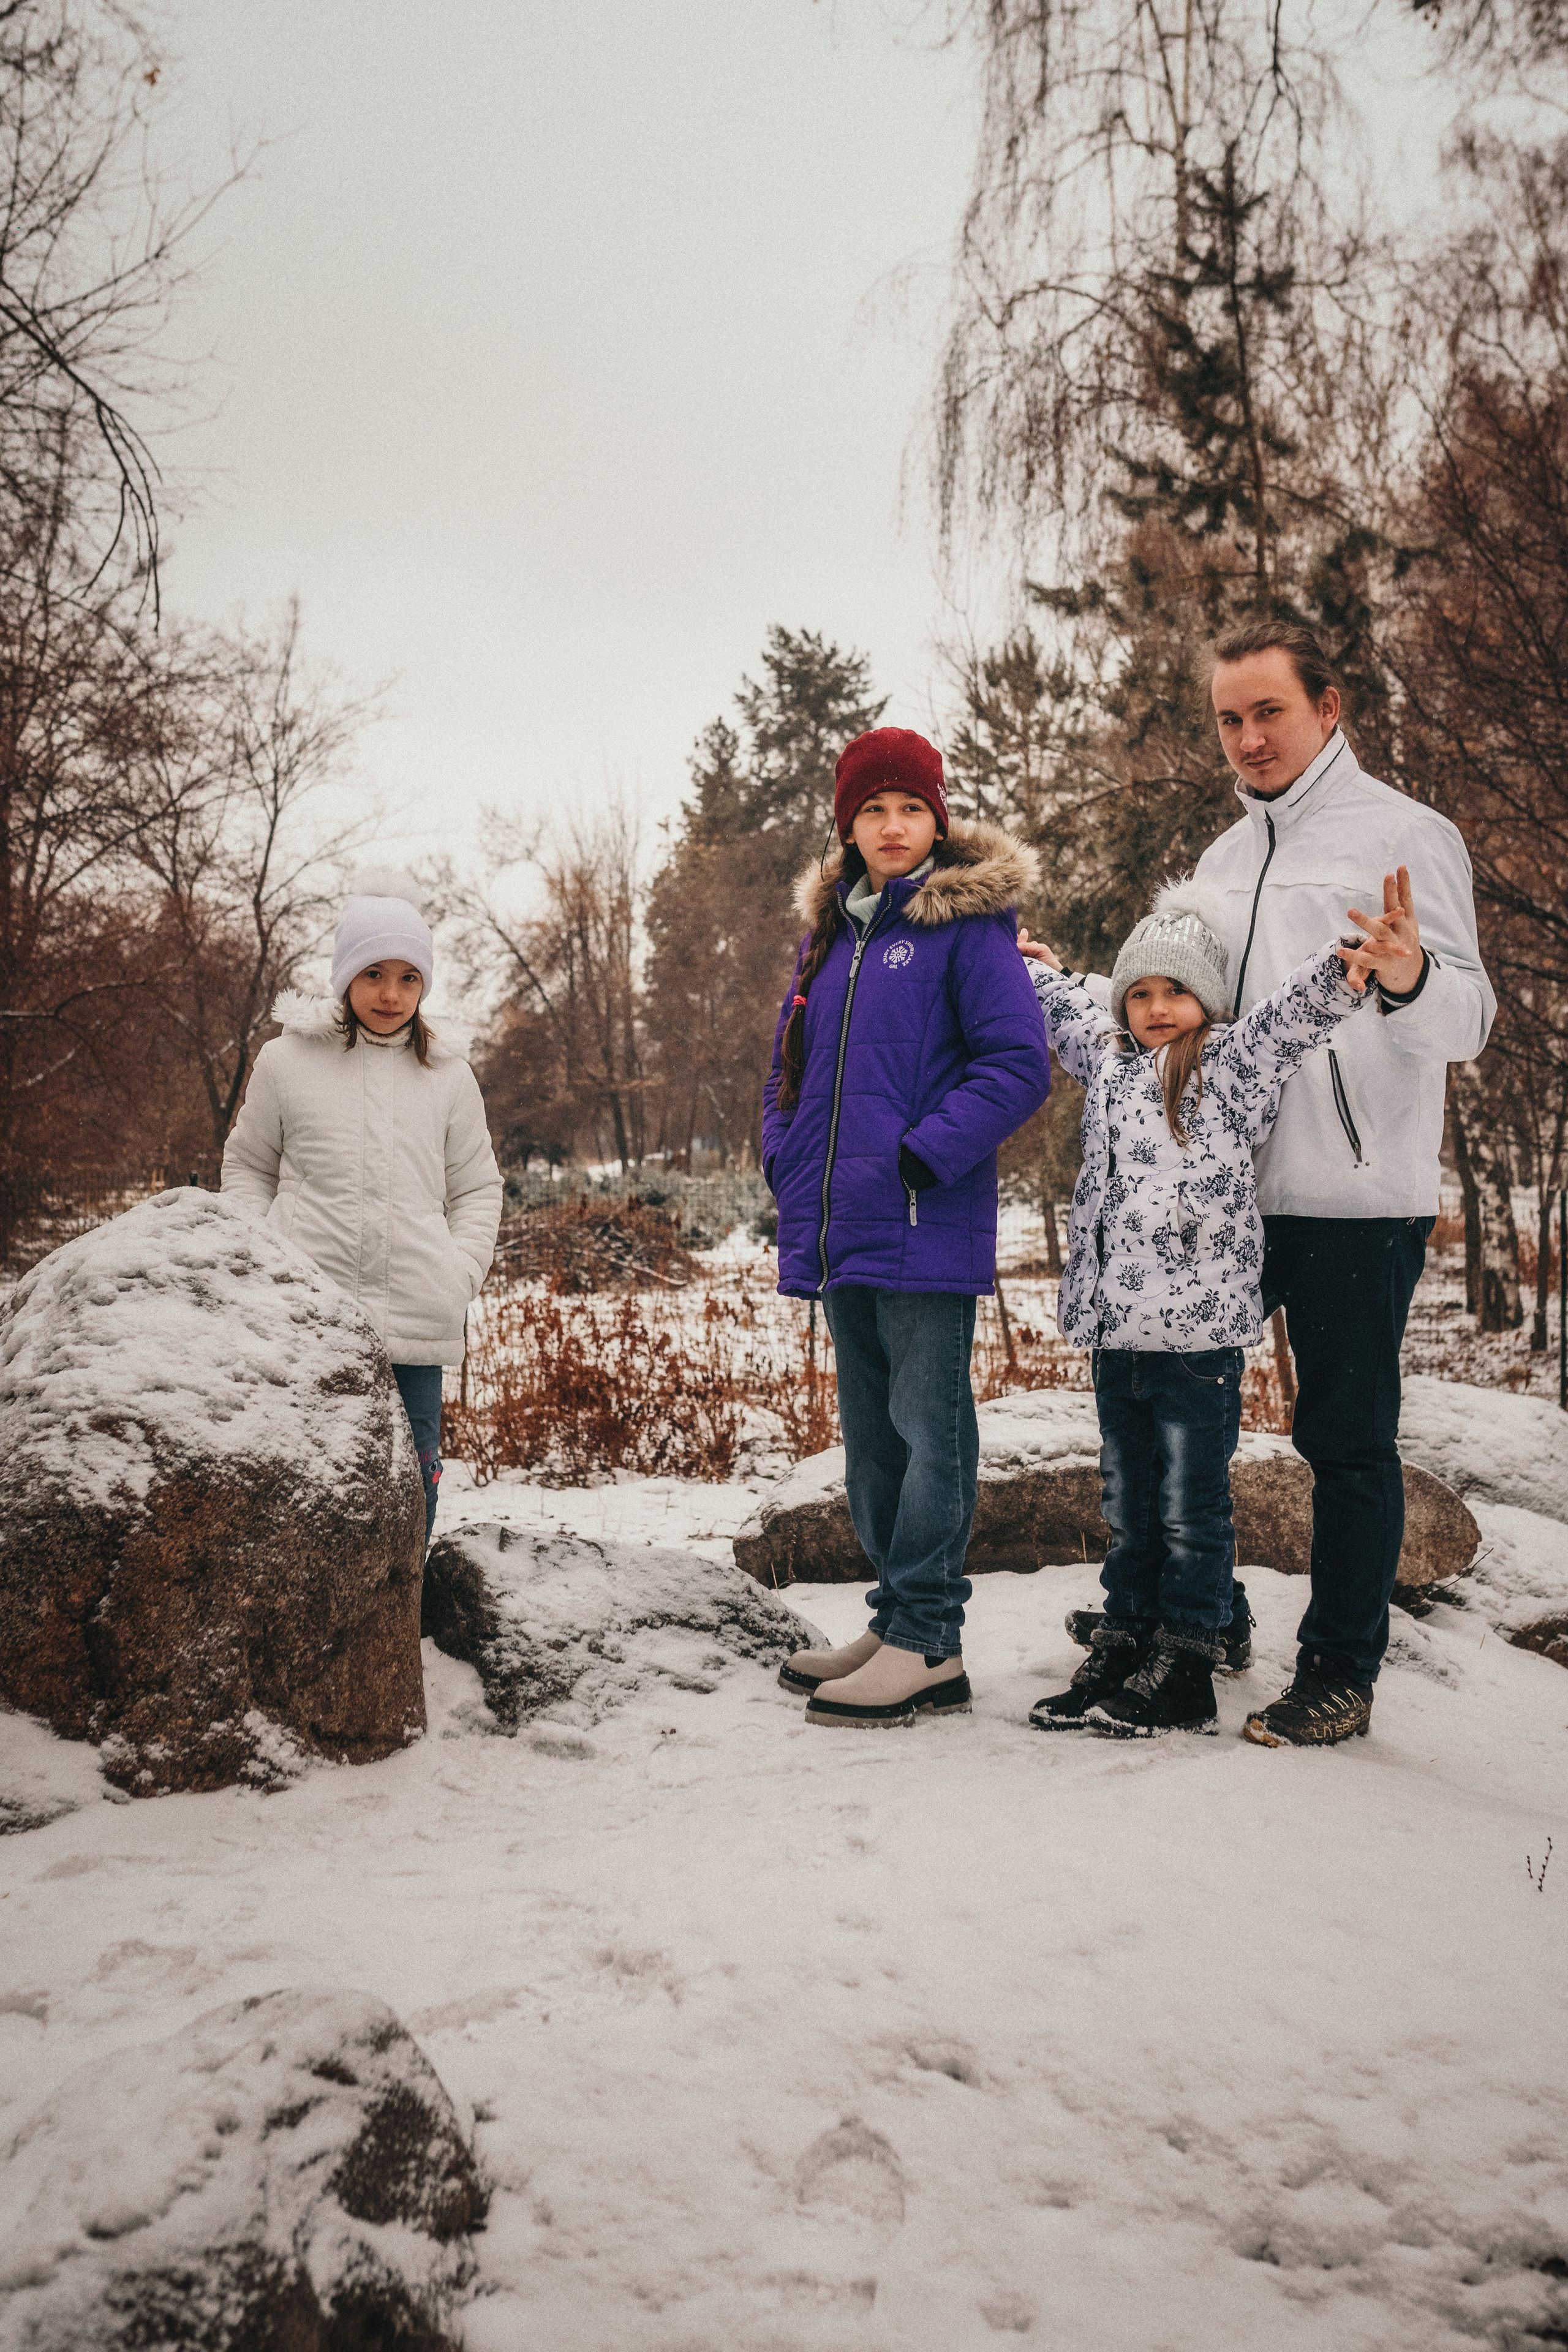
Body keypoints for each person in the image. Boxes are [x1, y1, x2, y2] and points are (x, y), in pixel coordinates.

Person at [1045, 622, 1494, 1744]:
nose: (1248, 738)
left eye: (1269, 712)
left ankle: (1339, 1669)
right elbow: (1175, 1013)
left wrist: (1409, 973)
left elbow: (1470, 1022)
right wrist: (1069, 988)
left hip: (1353, 1198)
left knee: (1343, 1440)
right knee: (1186, 1427)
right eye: (1229, 720)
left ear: (1328, 708)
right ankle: (1204, 1618)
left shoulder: (1406, 834)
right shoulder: (1220, 861)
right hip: (1218, 1208)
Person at [1021, 886, 1390, 1736]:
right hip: (1117, 1335)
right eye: (1140, 993)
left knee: (1191, 1510)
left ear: (1208, 1002)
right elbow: (1067, 1011)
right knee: (1128, 1506)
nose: (1157, 1008)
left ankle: (1188, 1658)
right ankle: (1126, 1638)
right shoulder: (1108, 1062)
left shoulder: (1227, 1065)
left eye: (1176, 991)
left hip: (1197, 1343)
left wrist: (1347, 966)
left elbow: (1290, 1018)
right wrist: (1028, 968)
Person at [764, 727, 1051, 1727]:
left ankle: (930, 1637)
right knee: (874, 1443)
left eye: (911, 808)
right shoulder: (829, 939)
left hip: (923, 1221)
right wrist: (784, 1158)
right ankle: (895, 1621)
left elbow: (1019, 1064)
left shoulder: (968, 927)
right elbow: (788, 1073)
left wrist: (926, 1154)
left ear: (938, 820)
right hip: (842, 1226)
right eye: (873, 810)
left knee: (931, 1435)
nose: (893, 826)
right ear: (848, 827)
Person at [222, 869, 502, 1551]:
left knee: (413, 1485)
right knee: (303, 1487)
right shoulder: (286, 1061)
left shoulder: (449, 1076)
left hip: (416, 1323)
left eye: (409, 978)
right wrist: (266, 1257)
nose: (390, 994)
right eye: (374, 973)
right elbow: (248, 1168)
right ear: (345, 974)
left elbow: (477, 1188)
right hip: (308, 1321)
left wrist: (459, 1272)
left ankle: (403, 1606)